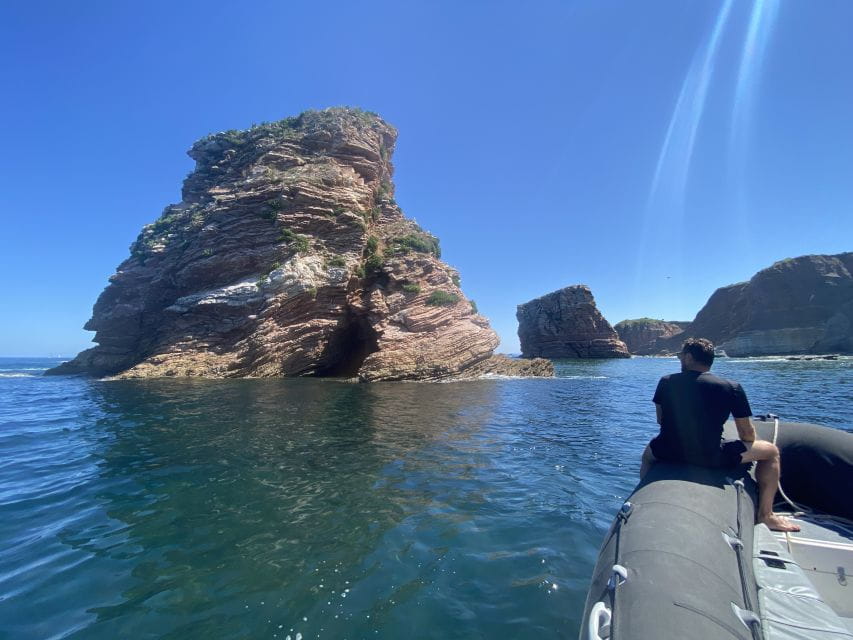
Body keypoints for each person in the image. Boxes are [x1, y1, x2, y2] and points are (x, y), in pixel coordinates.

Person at [640, 337, 800, 532]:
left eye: (681, 356)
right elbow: (746, 433)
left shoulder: (666, 382)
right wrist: (747, 445)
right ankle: (766, 515)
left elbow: (661, 420)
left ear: (689, 358)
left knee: (647, 456)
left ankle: (642, 501)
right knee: (772, 451)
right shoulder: (731, 387)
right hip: (711, 456)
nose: (680, 359)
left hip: (668, 450)